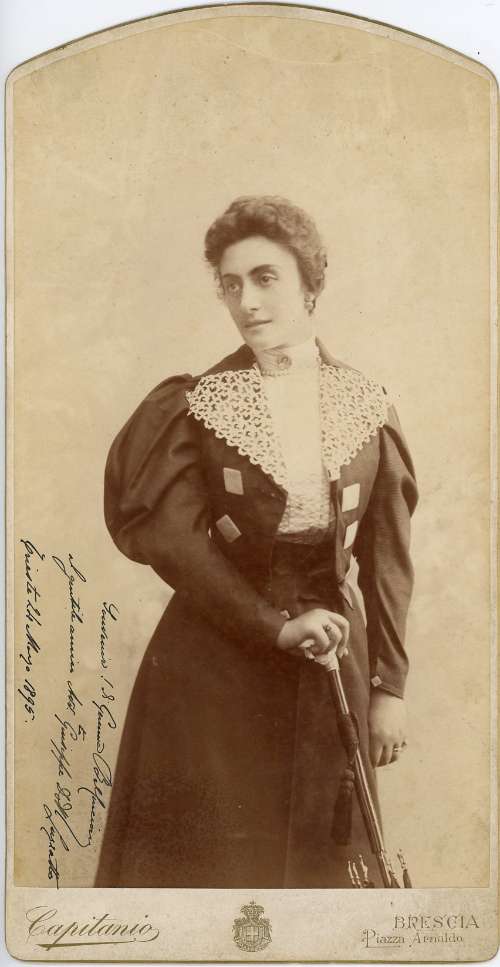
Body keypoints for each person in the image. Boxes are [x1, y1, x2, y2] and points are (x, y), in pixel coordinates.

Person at [95, 195, 418, 889]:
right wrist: (273, 626)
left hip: (331, 655)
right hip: (214, 656)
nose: (247, 301)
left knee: (321, 868)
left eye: (266, 278)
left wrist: (388, 687)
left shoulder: (367, 403)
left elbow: (388, 558)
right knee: (211, 865)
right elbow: (177, 544)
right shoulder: (197, 403)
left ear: (310, 284)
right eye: (231, 284)